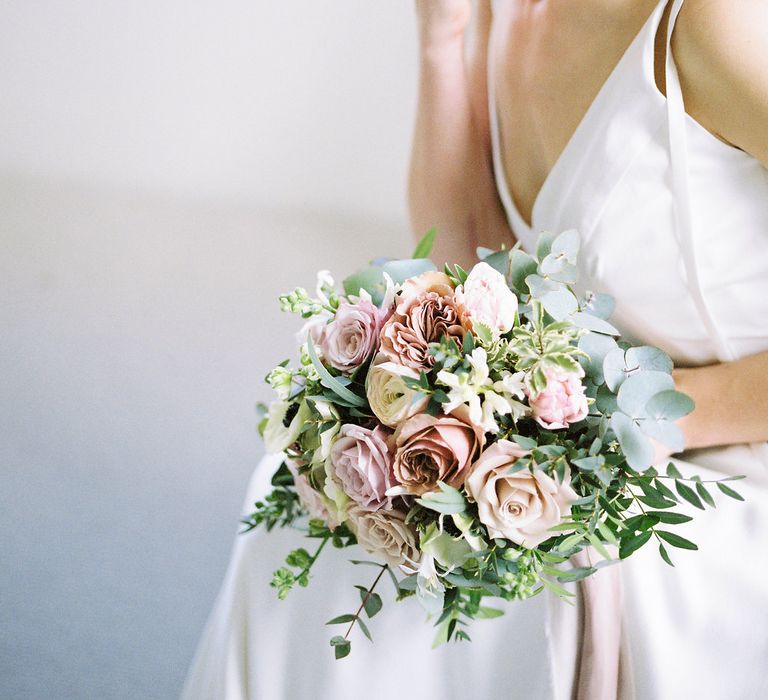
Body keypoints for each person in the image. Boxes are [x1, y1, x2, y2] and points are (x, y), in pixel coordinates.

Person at [183, 1, 768, 698]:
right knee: (316, 506)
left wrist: (654, 425)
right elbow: (478, 264)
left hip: (732, 436)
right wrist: (442, 41)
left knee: (522, 585)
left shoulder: (716, 27)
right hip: (585, 406)